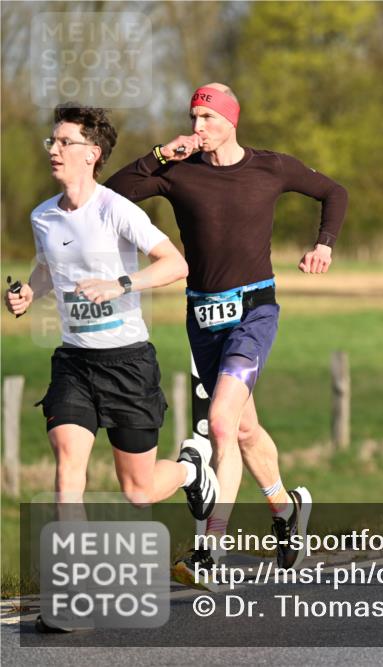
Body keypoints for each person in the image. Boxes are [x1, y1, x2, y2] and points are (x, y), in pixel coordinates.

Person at [105, 83, 348, 580]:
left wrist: (324, 244)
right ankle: (286, 511)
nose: (197, 129)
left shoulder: (270, 166)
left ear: (230, 120)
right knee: (241, 427)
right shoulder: (178, 173)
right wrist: (157, 155)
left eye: (207, 119)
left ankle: (210, 549)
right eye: (193, 118)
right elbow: (110, 195)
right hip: (201, 316)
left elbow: (333, 192)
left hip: (255, 309)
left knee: (217, 422)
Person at [5, 104, 218, 630]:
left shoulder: (117, 209)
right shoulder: (43, 216)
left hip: (127, 363)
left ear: (92, 154)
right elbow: (48, 264)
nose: (53, 149)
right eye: (51, 140)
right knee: (67, 464)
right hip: (74, 363)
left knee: (138, 490)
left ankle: (193, 468)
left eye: (64, 141)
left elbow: (176, 264)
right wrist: (31, 288)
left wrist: (121, 285)